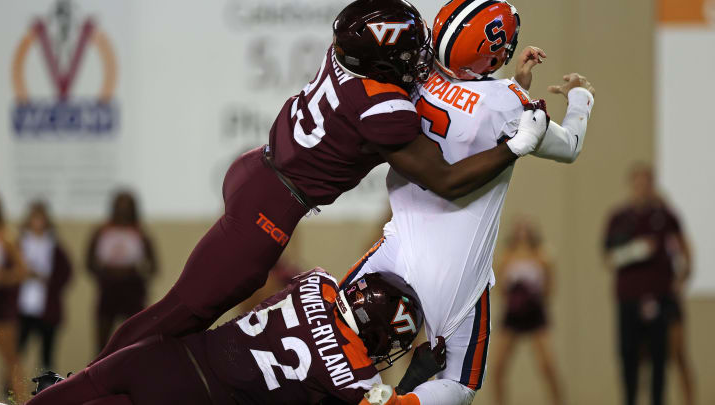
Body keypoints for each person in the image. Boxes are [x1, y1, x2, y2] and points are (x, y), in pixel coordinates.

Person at [91, 0, 550, 366]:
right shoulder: (382, 107)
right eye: (410, 55)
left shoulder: (347, 57)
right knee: (183, 312)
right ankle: (80, 387)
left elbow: (426, 85)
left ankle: (93, 383)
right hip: (270, 208)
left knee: (188, 311)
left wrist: (512, 86)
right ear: (384, 62)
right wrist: (515, 144)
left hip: (256, 170)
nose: (420, 62)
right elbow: (447, 180)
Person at [339, 0, 595, 402]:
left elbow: (466, 115)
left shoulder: (417, 73)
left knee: (330, 329)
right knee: (458, 383)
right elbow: (569, 147)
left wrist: (515, 85)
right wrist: (580, 97)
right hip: (455, 271)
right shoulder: (509, 102)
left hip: (398, 245)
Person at [28, 269, 443, 405]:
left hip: (158, 356)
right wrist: (415, 378)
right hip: (193, 398)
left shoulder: (317, 282)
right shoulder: (354, 376)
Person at [603, 163, 692, 405]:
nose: (642, 188)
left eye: (647, 183)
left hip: (660, 297)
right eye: (638, 183)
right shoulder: (619, 218)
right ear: (631, 185)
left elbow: (685, 247)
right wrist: (638, 250)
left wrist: (682, 279)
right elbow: (609, 258)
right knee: (629, 356)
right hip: (628, 297)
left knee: (660, 358)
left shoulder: (665, 215)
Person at [491, 219, 563, 405]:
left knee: (547, 366)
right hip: (513, 315)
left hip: (535, 314)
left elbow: (549, 285)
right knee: (498, 367)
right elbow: (500, 286)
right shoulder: (506, 257)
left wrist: (535, 301)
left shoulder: (542, 255)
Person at [86, 191, 157, 351]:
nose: (123, 210)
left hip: (133, 290)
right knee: (102, 344)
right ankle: (101, 374)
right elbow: (89, 262)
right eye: (120, 205)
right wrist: (103, 276)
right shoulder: (102, 231)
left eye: (127, 206)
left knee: (135, 341)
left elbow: (153, 266)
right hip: (108, 290)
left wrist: (138, 276)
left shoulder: (140, 233)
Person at [17, 201, 73, 370]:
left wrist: (48, 280)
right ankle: (10, 392)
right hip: (23, 306)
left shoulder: (53, 245)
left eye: (41, 219)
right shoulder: (19, 243)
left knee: (46, 357)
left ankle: (46, 393)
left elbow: (66, 273)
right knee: (16, 353)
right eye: (35, 219)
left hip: (47, 308)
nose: (38, 223)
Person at [0, 193, 28, 403]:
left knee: (11, 360)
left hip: (1, 306)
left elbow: (22, 271)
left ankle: (20, 400)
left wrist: (2, 278)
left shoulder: (6, 236)